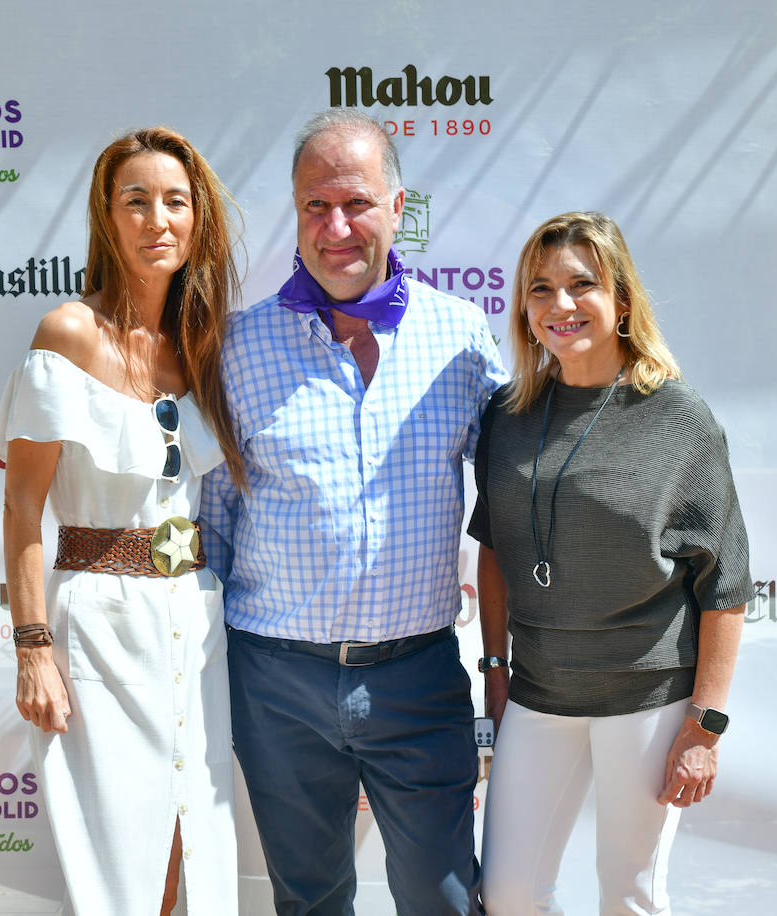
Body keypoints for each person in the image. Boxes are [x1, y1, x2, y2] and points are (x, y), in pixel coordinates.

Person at [199, 108, 507, 915]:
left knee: (443, 899)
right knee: (309, 900)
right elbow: (212, 520)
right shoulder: (238, 347)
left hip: (419, 677)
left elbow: (524, 496)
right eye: (314, 207)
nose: (336, 228)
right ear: (296, 213)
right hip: (277, 683)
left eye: (357, 204)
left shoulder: (463, 339)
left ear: (398, 209)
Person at [470, 211, 753, 916]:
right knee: (507, 894)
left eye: (581, 285)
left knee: (627, 896)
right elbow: (497, 552)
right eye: (541, 289)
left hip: (648, 701)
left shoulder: (678, 418)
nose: (560, 306)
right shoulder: (506, 415)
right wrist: (496, 673)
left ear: (621, 299)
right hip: (540, 694)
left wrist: (704, 727)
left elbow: (726, 586)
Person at [0, 126, 246, 915]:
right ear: (108, 217)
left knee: (192, 849)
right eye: (135, 201)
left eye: (175, 202)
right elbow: (21, 506)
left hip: (193, 621)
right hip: (99, 622)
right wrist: (32, 647)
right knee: (119, 860)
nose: (156, 220)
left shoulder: (203, 345)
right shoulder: (67, 334)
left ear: (197, 220)